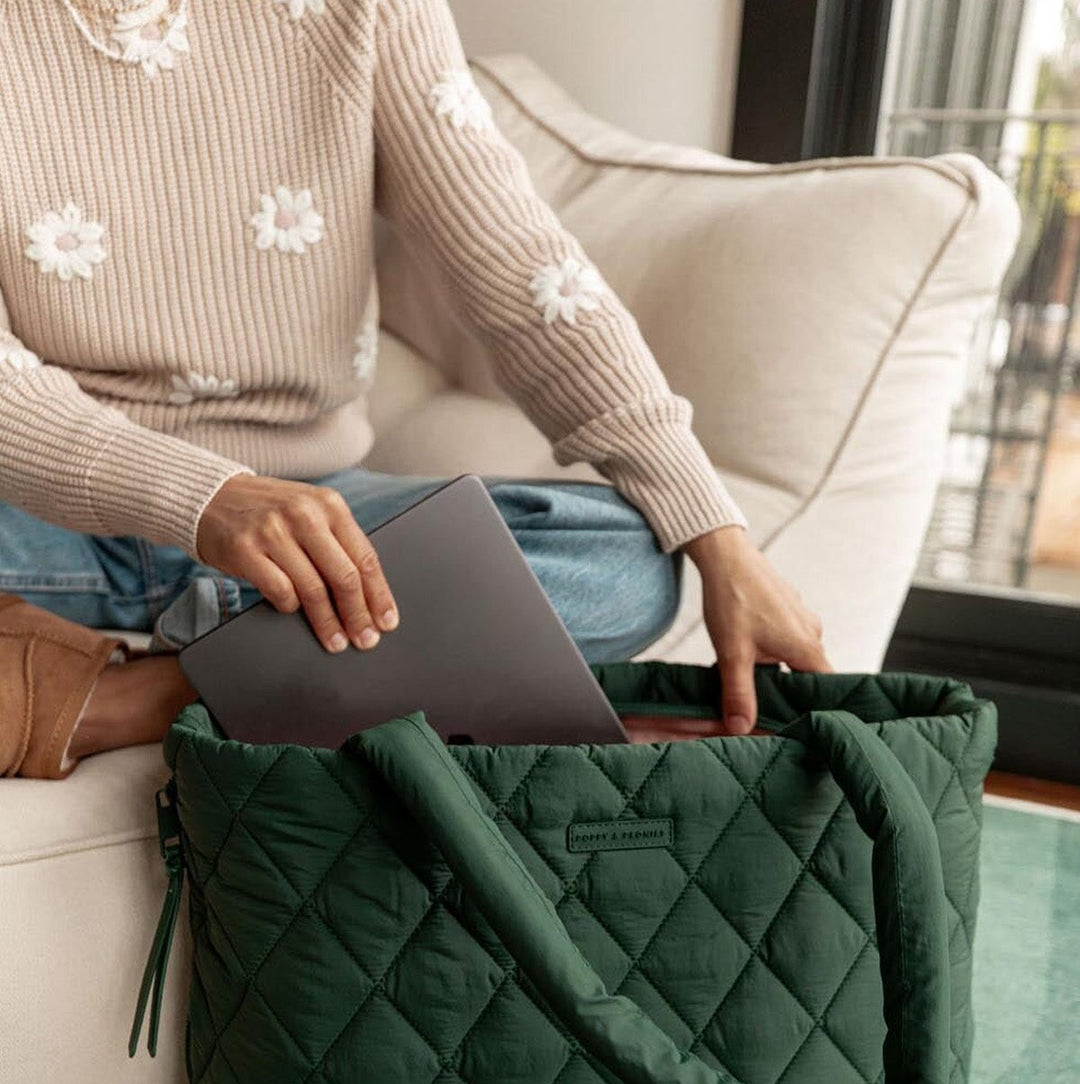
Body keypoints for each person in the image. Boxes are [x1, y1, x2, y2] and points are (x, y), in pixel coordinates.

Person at [0, 0, 830, 780]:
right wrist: (207, 498)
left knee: (630, 561)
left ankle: (138, 694)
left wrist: (719, 537)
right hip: (47, 521)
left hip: (317, 516)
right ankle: (281, 663)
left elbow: (519, 267)